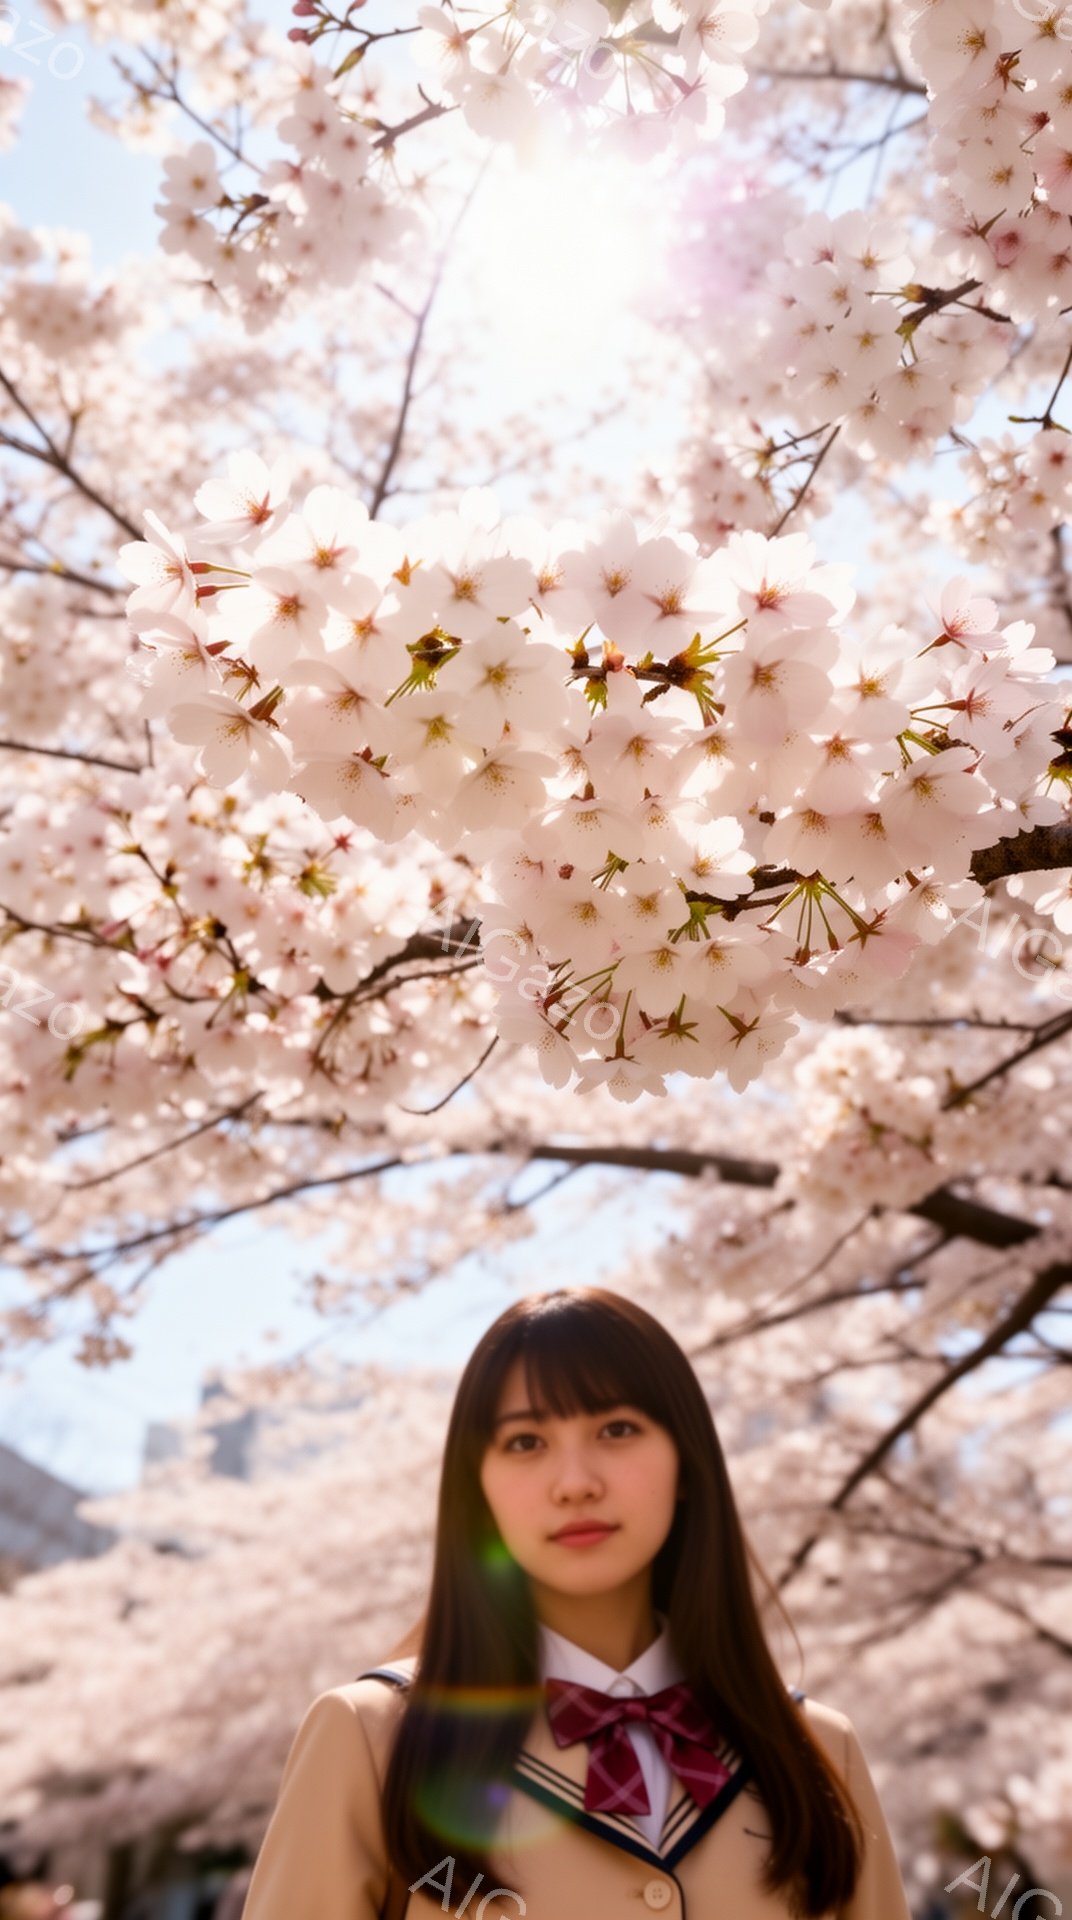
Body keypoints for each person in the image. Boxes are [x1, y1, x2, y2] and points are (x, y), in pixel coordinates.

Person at [241, 1287, 913, 1920]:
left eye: (617, 1429)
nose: (575, 1483)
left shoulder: (816, 1750)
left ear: (686, 1463)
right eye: (525, 1442)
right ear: (479, 1490)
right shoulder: (376, 1739)